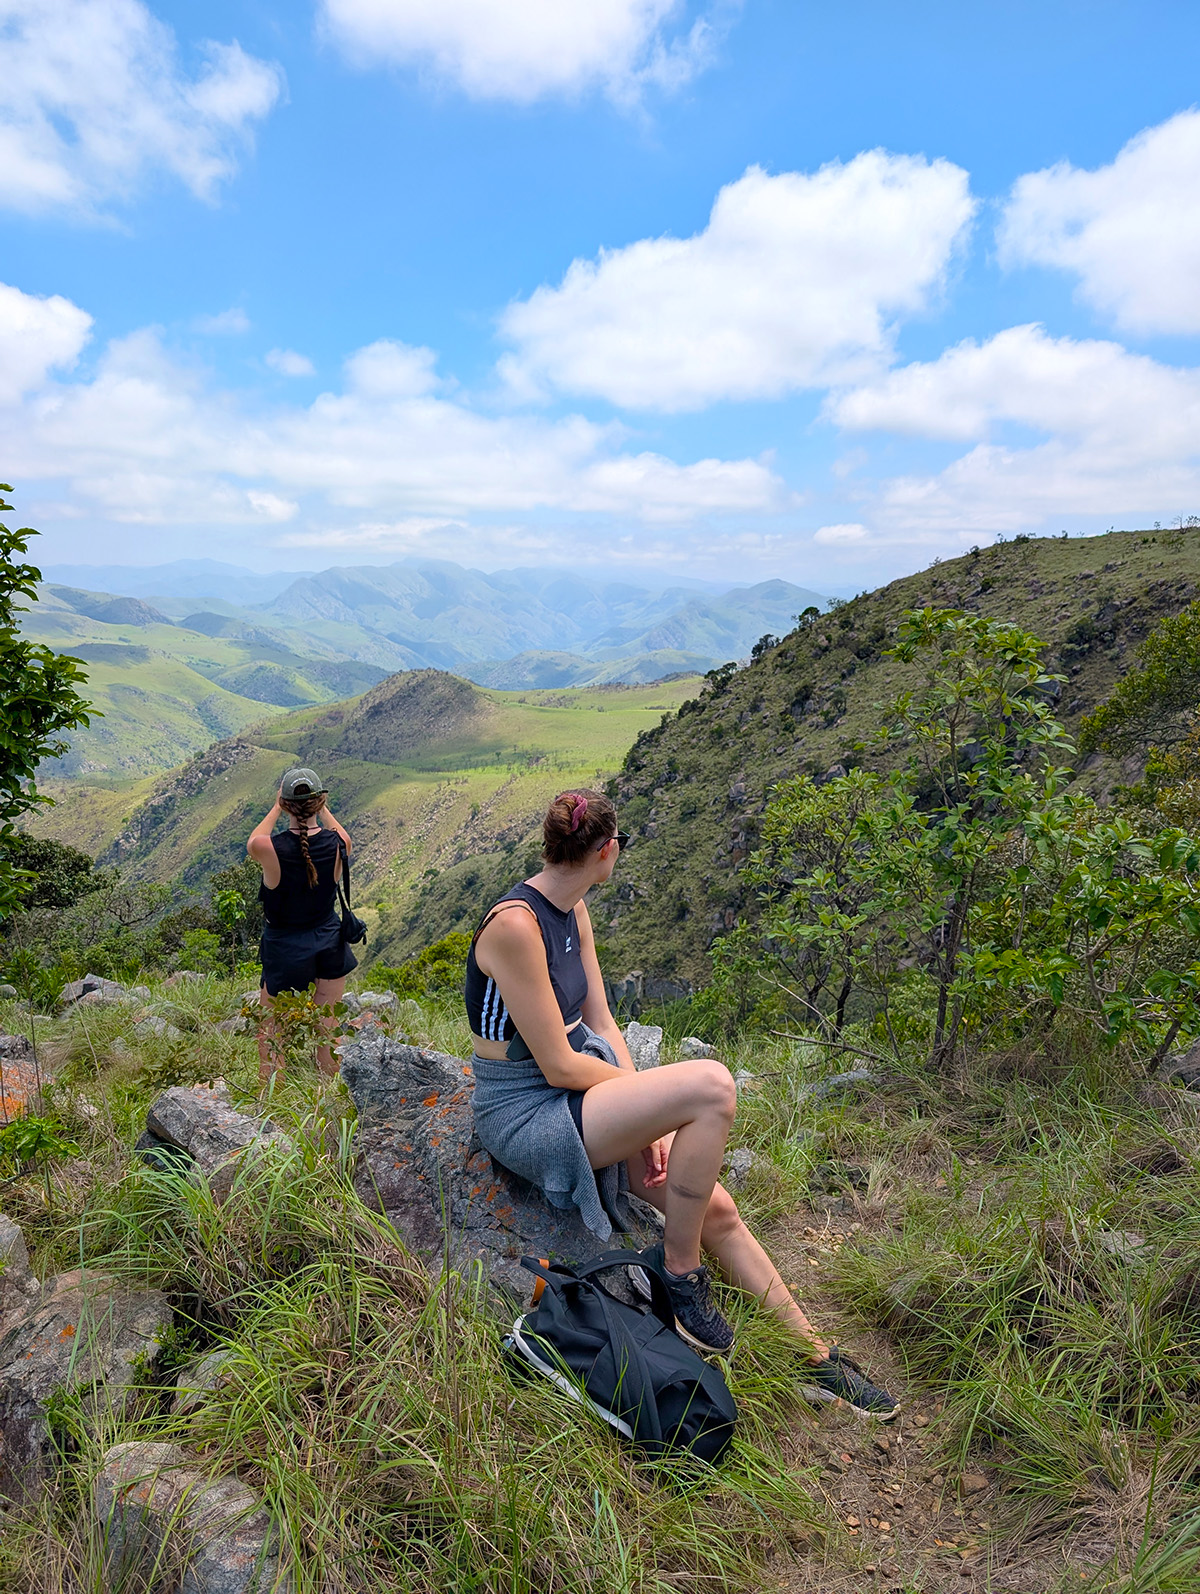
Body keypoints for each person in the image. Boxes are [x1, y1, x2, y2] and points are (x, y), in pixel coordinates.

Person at [464, 788, 899, 1421]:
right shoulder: (515, 925)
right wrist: (645, 1105)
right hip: (528, 1111)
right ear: (606, 851)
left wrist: (648, 1113)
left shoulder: (571, 909)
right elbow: (555, 1063)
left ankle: (815, 1360)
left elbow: (603, 1022)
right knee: (713, 1086)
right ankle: (679, 1272)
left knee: (713, 1205)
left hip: (584, 1089)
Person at [247, 767, 356, 1088]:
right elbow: (342, 834)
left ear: (285, 803)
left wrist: (277, 806)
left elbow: (254, 839)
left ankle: (273, 1094)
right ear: (320, 801)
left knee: (271, 1027)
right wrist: (322, 808)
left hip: (285, 948)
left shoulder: (270, 849)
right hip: (329, 941)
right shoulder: (339, 844)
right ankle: (327, 1094)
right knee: (328, 1024)